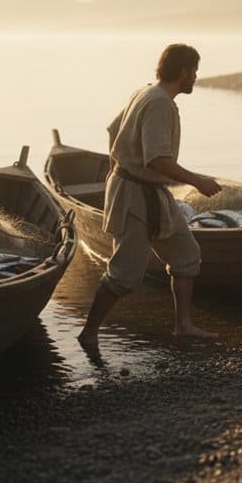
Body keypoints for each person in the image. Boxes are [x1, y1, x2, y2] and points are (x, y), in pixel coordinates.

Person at [78, 43, 222, 348]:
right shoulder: (158, 103)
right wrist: (197, 181)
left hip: (152, 193)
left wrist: (115, 169)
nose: (196, 77)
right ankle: (88, 333)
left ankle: (183, 326)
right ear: (183, 71)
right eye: (194, 71)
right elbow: (156, 159)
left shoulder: (145, 92)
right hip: (134, 196)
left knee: (186, 255)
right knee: (124, 274)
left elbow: (112, 131)